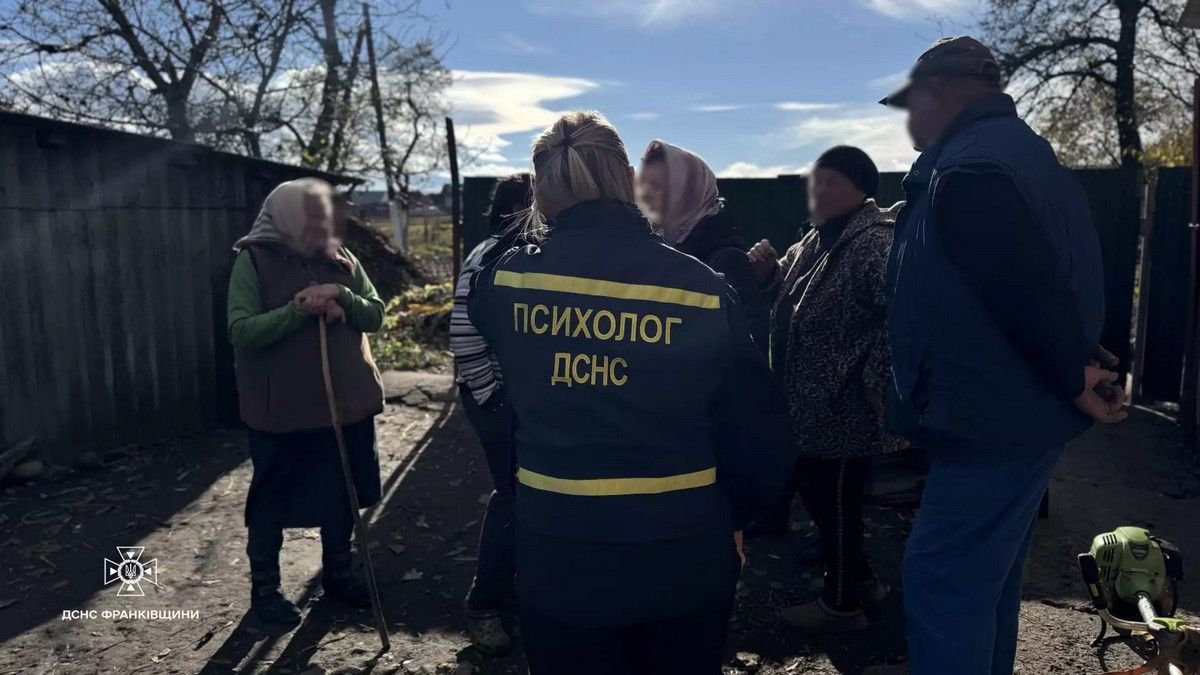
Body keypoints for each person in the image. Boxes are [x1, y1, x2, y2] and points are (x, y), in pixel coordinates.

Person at [467, 111, 795, 675]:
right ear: (625, 178)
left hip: (557, 551)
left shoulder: (502, 281)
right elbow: (755, 424)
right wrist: (743, 517)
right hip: (682, 552)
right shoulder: (702, 287)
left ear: (540, 189)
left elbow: (490, 395)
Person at [880, 36, 1126, 673]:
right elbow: (1050, 280)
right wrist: (1082, 362)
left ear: (939, 93)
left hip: (991, 416)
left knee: (943, 577)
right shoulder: (1022, 156)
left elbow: (1022, 291)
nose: (908, 120)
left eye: (912, 104)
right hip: (1018, 409)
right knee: (983, 578)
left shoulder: (969, 171)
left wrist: (1073, 372)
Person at [745, 146, 903, 631]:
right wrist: (768, 274)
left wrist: (876, 378)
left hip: (844, 403)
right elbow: (789, 296)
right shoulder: (819, 239)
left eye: (829, 182)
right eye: (815, 181)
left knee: (835, 501)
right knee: (824, 498)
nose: (817, 191)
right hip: (811, 403)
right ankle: (864, 583)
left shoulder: (873, 243)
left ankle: (842, 607)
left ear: (860, 188)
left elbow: (901, 318)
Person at [227, 178, 386, 625]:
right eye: (312, 220)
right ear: (287, 220)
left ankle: (338, 572)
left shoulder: (341, 258)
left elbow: (375, 313)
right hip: (283, 412)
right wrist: (296, 311)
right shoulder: (253, 261)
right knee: (272, 498)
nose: (323, 228)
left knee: (342, 491)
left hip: (344, 406)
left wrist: (342, 296)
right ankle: (266, 590)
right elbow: (240, 331)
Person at [449, 173, 533, 654]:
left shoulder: (521, 253)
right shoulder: (492, 255)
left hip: (508, 399)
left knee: (524, 495)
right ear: (522, 209)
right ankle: (484, 603)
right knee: (513, 496)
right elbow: (464, 336)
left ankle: (514, 595)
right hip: (494, 399)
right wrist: (494, 397)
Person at [638, 140, 768, 351]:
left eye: (658, 186)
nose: (645, 195)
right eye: (643, 185)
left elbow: (750, 348)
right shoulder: (655, 250)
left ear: (688, 190)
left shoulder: (727, 260)